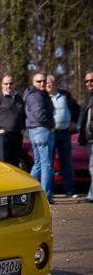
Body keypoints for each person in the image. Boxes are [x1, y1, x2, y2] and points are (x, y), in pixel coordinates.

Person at [46, 75, 81, 198]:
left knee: (67, 162)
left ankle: (70, 190)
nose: (49, 84)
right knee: (48, 163)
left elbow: (77, 108)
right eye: (47, 83)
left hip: (65, 133)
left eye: (51, 82)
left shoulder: (65, 95)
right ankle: (49, 192)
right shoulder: (44, 97)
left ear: (55, 84)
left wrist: (74, 122)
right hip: (50, 134)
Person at [24, 72, 55, 204]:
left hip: (35, 131)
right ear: (33, 82)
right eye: (38, 81)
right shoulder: (36, 96)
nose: (42, 83)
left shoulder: (36, 94)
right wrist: (51, 125)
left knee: (38, 164)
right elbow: (40, 115)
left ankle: (26, 190)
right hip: (42, 131)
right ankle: (45, 197)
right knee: (46, 165)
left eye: (43, 81)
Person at [0, 74, 25, 167]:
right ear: (2, 85)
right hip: (2, 138)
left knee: (14, 165)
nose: (8, 86)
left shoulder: (19, 98)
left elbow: (23, 115)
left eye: (10, 83)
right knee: (2, 165)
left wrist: (23, 128)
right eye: (6, 84)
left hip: (16, 137)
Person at [77, 71, 93, 203]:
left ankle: (91, 196)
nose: (89, 83)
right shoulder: (89, 97)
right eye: (87, 81)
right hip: (89, 138)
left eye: (91, 80)